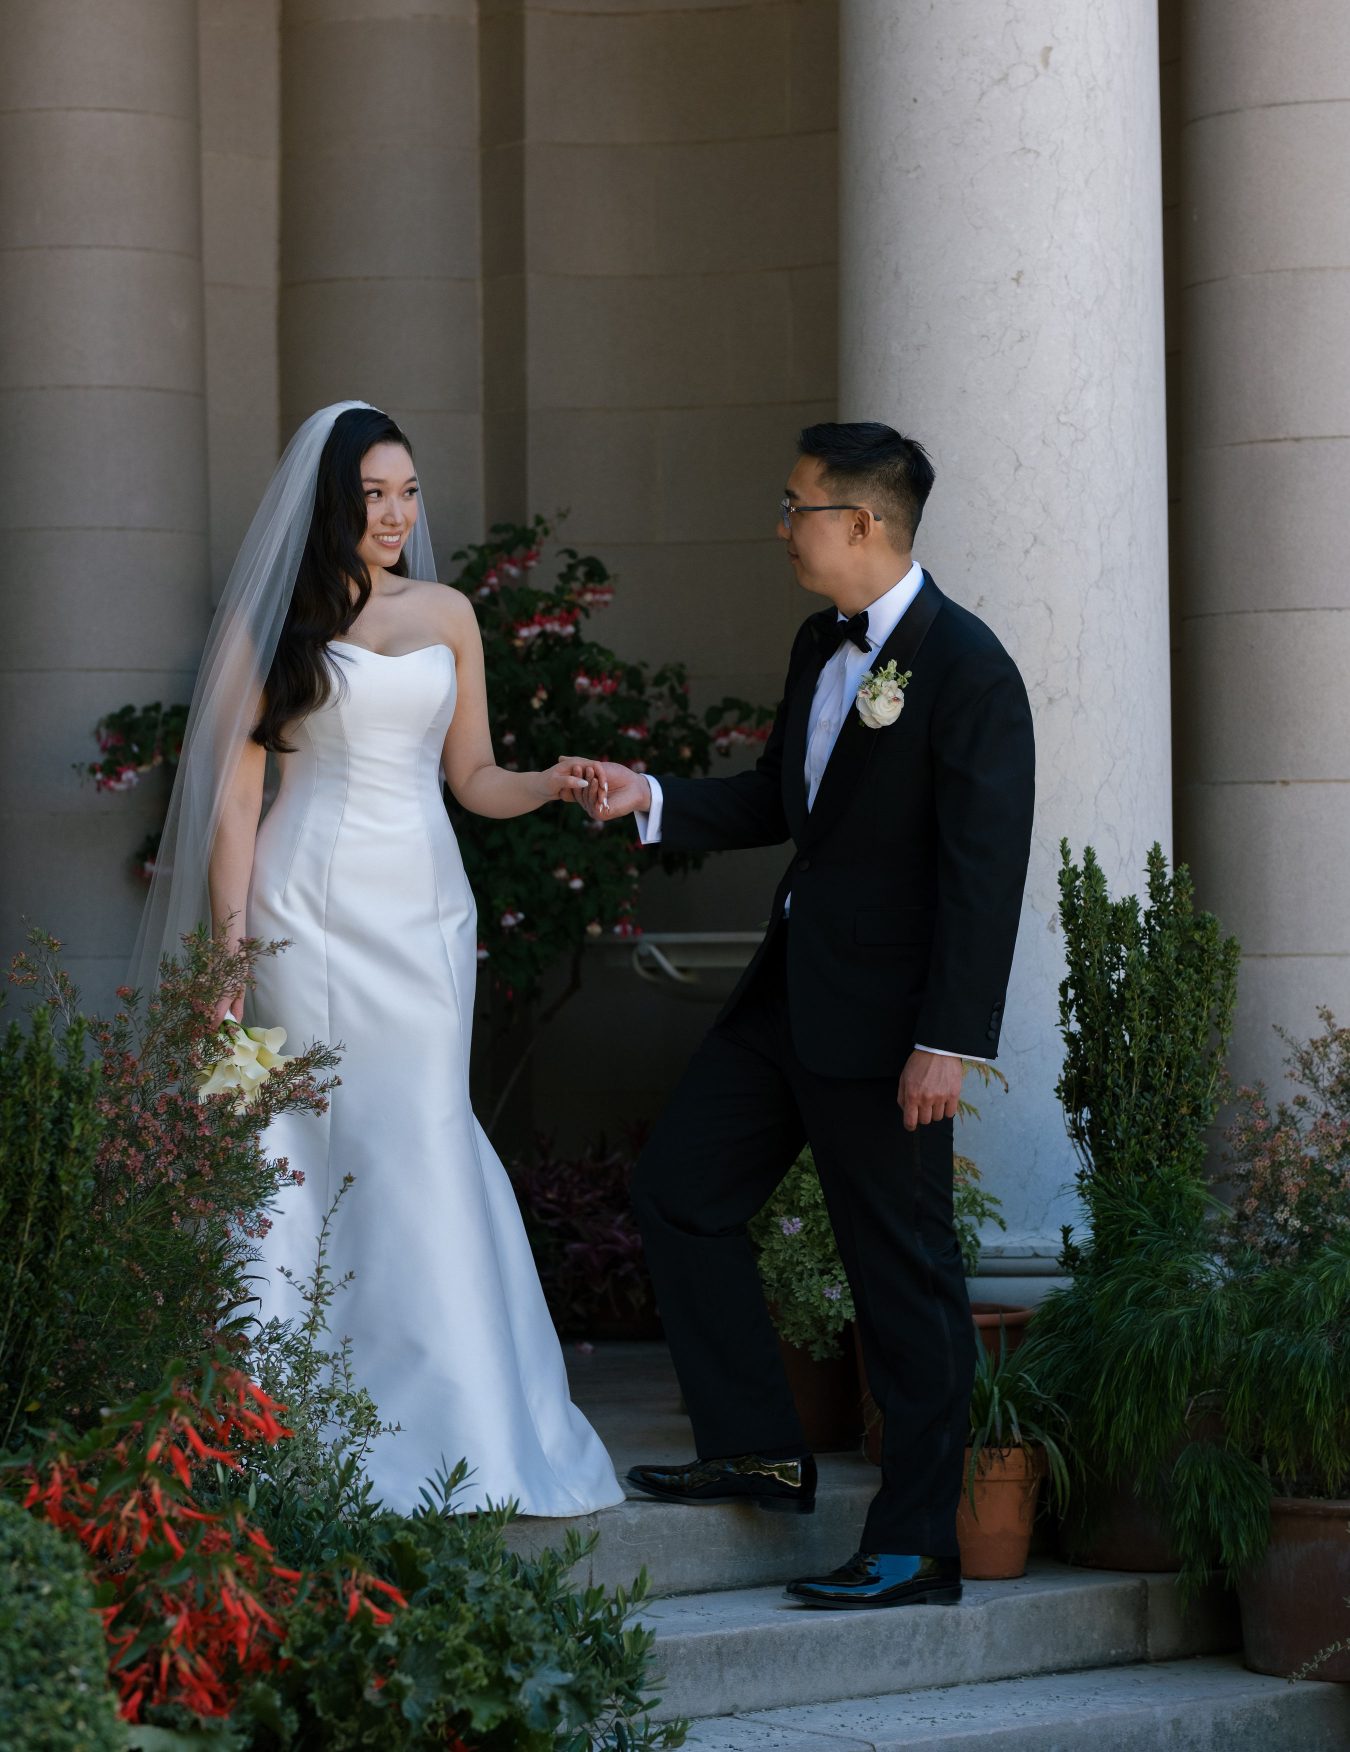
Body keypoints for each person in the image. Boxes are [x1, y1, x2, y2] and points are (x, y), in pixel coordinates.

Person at [131, 401, 623, 1518]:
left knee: (424, 1127)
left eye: (407, 493)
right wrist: (225, 970)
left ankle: (461, 1430)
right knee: (309, 1140)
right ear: (330, 504)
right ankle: (292, 1421)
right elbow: (236, 803)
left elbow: (473, 777)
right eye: (372, 496)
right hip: (306, 906)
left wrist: (550, 782)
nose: (396, 515)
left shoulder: (449, 612)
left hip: (426, 911)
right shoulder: (273, 623)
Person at [582, 421, 1035, 1607]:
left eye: (797, 507)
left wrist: (947, 1041)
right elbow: (783, 801)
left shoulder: (970, 670)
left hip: (892, 1034)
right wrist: (651, 796)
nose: (781, 527)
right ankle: (757, 1449)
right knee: (679, 1190)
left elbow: (984, 875)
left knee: (903, 1278)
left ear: (862, 523)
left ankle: (917, 1545)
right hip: (786, 999)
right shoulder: (816, 645)